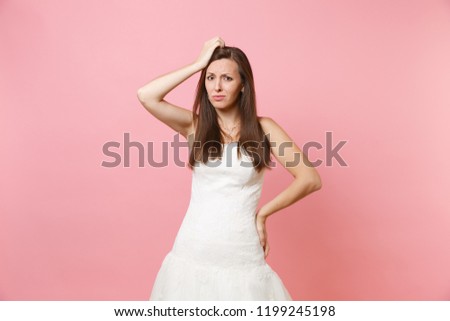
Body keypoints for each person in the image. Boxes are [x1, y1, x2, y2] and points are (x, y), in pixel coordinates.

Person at [137, 36, 322, 300]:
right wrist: (197, 64)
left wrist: (263, 214)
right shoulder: (194, 125)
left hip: (241, 250)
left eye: (227, 78)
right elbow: (146, 96)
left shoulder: (264, 129)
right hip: (192, 250)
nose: (217, 87)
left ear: (243, 85)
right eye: (210, 78)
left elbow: (310, 178)